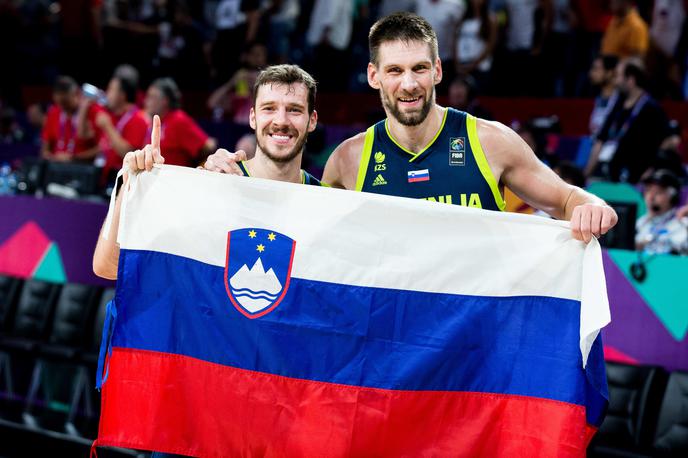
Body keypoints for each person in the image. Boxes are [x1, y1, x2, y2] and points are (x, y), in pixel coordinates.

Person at [206, 12, 618, 243]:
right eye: (395, 70)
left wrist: (592, 209)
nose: (409, 84)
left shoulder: (489, 141)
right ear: (373, 76)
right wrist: (229, 177)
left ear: (437, 70)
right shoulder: (349, 160)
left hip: (474, 351)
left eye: (420, 68)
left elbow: (568, 199)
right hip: (395, 356)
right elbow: (296, 229)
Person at [93, 64, 321, 281]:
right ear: (253, 117)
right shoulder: (211, 185)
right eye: (269, 108)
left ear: (312, 121)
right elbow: (108, 267)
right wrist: (132, 187)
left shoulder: (327, 204)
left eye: (294, 110)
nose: (281, 120)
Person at [585, 58, 670, 183]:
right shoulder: (617, 104)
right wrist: (585, 174)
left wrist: (648, 175)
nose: (615, 81)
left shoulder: (652, 109)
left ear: (630, 80)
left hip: (635, 179)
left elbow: (665, 144)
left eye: (618, 76)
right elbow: (600, 140)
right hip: (609, 174)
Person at [143, 77, 216, 168]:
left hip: (175, 179)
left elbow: (208, 145)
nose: (145, 101)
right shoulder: (152, 121)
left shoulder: (178, 119)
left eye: (152, 97)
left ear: (164, 101)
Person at [93, 67, 150, 184]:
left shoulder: (138, 119)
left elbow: (127, 153)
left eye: (111, 89)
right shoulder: (112, 115)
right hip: (102, 176)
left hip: (123, 181)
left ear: (122, 95)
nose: (107, 93)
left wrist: (107, 127)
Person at [40, 76, 103, 162]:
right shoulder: (54, 112)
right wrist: (50, 157)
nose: (64, 108)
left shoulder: (94, 111)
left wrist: (74, 158)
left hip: (85, 167)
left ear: (76, 93)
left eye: (66, 103)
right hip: (57, 166)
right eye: (60, 103)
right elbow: (45, 149)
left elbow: (103, 147)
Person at [635, 169, 688, 254]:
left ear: (672, 196)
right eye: (648, 191)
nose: (651, 197)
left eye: (658, 192)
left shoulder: (682, 223)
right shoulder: (640, 223)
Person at [588, 54, 619, 136]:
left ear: (609, 73)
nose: (591, 74)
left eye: (596, 69)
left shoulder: (620, 100)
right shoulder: (598, 99)